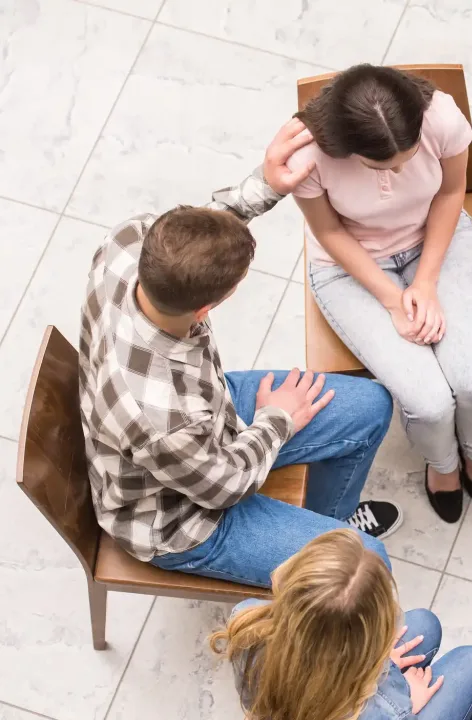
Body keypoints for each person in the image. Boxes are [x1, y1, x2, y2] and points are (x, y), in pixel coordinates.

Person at [79, 119, 402, 589]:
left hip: (210, 413)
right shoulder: (160, 419)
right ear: (208, 307)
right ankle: (320, 566)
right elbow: (224, 487)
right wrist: (275, 419)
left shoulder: (130, 242)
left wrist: (265, 184)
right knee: (364, 566)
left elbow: (195, 232)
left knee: (371, 407)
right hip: (182, 518)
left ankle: (324, 526)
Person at [288, 64, 472, 524]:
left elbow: (449, 194)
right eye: (383, 167)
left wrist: (425, 282)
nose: (400, 170)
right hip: (350, 265)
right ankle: (442, 466)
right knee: (427, 401)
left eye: (406, 159)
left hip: (436, 235)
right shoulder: (305, 153)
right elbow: (327, 231)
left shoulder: (441, 117)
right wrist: (391, 298)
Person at [214, 529, 472, 720]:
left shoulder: (248, 622)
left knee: (424, 623)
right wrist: (405, 702)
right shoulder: (385, 714)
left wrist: (382, 675)